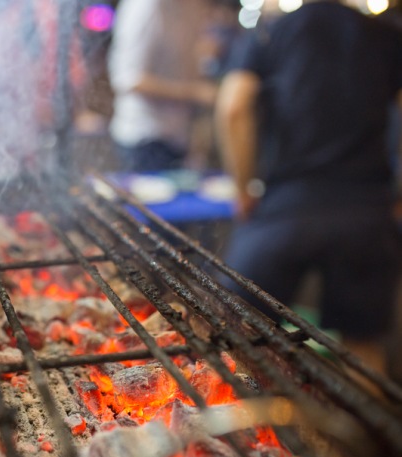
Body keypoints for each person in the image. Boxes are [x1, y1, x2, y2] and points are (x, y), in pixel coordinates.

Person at [215, 0, 402, 377]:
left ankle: (244, 429)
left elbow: (234, 106)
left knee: (234, 330)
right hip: (365, 210)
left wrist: (244, 188)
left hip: (285, 206)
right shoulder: (385, 35)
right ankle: (359, 436)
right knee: (362, 344)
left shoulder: (270, 31)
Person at [107, 0, 219, 172]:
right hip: (145, 139)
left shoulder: (192, 6)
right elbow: (128, 79)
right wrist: (194, 92)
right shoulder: (145, 6)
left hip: (180, 136)